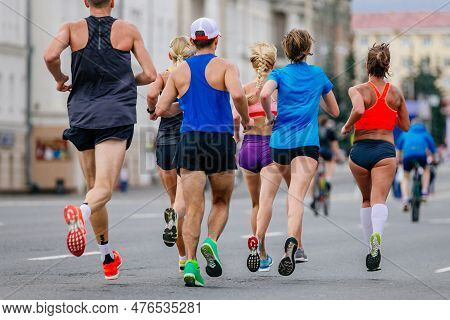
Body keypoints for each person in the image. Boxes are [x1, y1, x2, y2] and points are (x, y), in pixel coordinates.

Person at [44, 0, 156, 280]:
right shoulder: (128, 30)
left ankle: (107, 257)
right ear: (113, 2)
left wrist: (59, 79)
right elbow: (151, 74)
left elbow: (49, 56)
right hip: (114, 114)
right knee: (104, 190)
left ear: (85, 1)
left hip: (81, 113)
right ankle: (79, 214)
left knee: (94, 190)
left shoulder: (70, 28)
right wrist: (127, 80)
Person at [154, 17, 252, 287]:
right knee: (220, 201)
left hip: (190, 139)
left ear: (192, 41)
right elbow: (239, 96)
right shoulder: (226, 66)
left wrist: (164, 109)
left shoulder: (179, 71)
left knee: (193, 207)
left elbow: (161, 107)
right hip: (219, 139)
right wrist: (245, 121)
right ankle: (211, 242)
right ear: (216, 39)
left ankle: (191, 264)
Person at [260, 29, 339, 276]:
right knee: (296, 197)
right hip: (307, 145)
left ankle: (266, 243)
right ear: (308, 50)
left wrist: (270, 115)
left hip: (280, 143)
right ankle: (292, 243)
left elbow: (264, 94)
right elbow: (335, 111)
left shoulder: (279, 74)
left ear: (288, 50)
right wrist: (317, 100)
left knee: (274, 195)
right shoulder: (317, 75)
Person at [342, 43, 410, 271]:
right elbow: (406, 125)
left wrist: (347, 127)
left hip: (360, 151)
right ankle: (377, 240)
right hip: (385, 151)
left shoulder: (357, 90)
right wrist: (390, 114)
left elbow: (359, 110)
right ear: (387, 65)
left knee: (366, 200)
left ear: (366, 65)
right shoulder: (396, 93)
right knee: (379, 199)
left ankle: (369, 245)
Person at [147, 36, 196, 272]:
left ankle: (182, 257)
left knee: (173, 200)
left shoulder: (164, 76)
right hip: (187, 138)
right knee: (183, 204)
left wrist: (153, 110)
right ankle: (188, 257)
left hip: (165, 140)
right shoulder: (192, 76)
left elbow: (150, 96)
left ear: (170, 56)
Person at [233, 42, 281, 272]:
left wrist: (235, 135)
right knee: (267, 202)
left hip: (249, 146)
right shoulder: (280, 90)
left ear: (253, 64)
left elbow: (235, 117)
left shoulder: (244, 90)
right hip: (271, 147)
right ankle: (259, 244)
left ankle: (260, 251)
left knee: (255, 203)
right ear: (274, 63)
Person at [398, 121, 437, 210]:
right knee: (426, 170)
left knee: (405, 176)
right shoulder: (425, 133)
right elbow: (433, 149)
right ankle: (424, 192)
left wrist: (399, 160)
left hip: (407, 156)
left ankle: (405, 199)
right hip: (421, 156)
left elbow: (399, 149)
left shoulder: (405, 132)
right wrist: (434, 160)